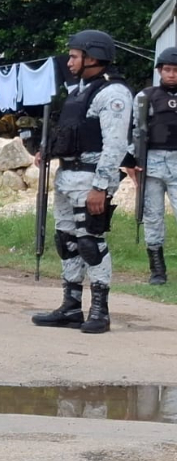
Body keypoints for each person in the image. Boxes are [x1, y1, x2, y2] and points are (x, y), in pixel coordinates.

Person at [32, 29, 132, 334]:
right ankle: (71, 306)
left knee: (90, 241)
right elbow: (72, 131)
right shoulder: (79, 90)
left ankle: (99, 310)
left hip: (91, 176)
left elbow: (114, 144)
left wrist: (101, 187)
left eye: (75, 55)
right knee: (67, 240)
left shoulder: (113, 93)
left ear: (93, 57)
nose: (70, 60)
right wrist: (47, 151)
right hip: (68, 176)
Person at [127, 47, 177, 285]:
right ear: (159, 71)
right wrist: (131, 162)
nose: (172, 74)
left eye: (176, 70)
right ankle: (157, 271)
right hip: (151, 163)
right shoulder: (146, 96)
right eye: (167, 69)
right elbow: (135, 130)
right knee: (153, 217)